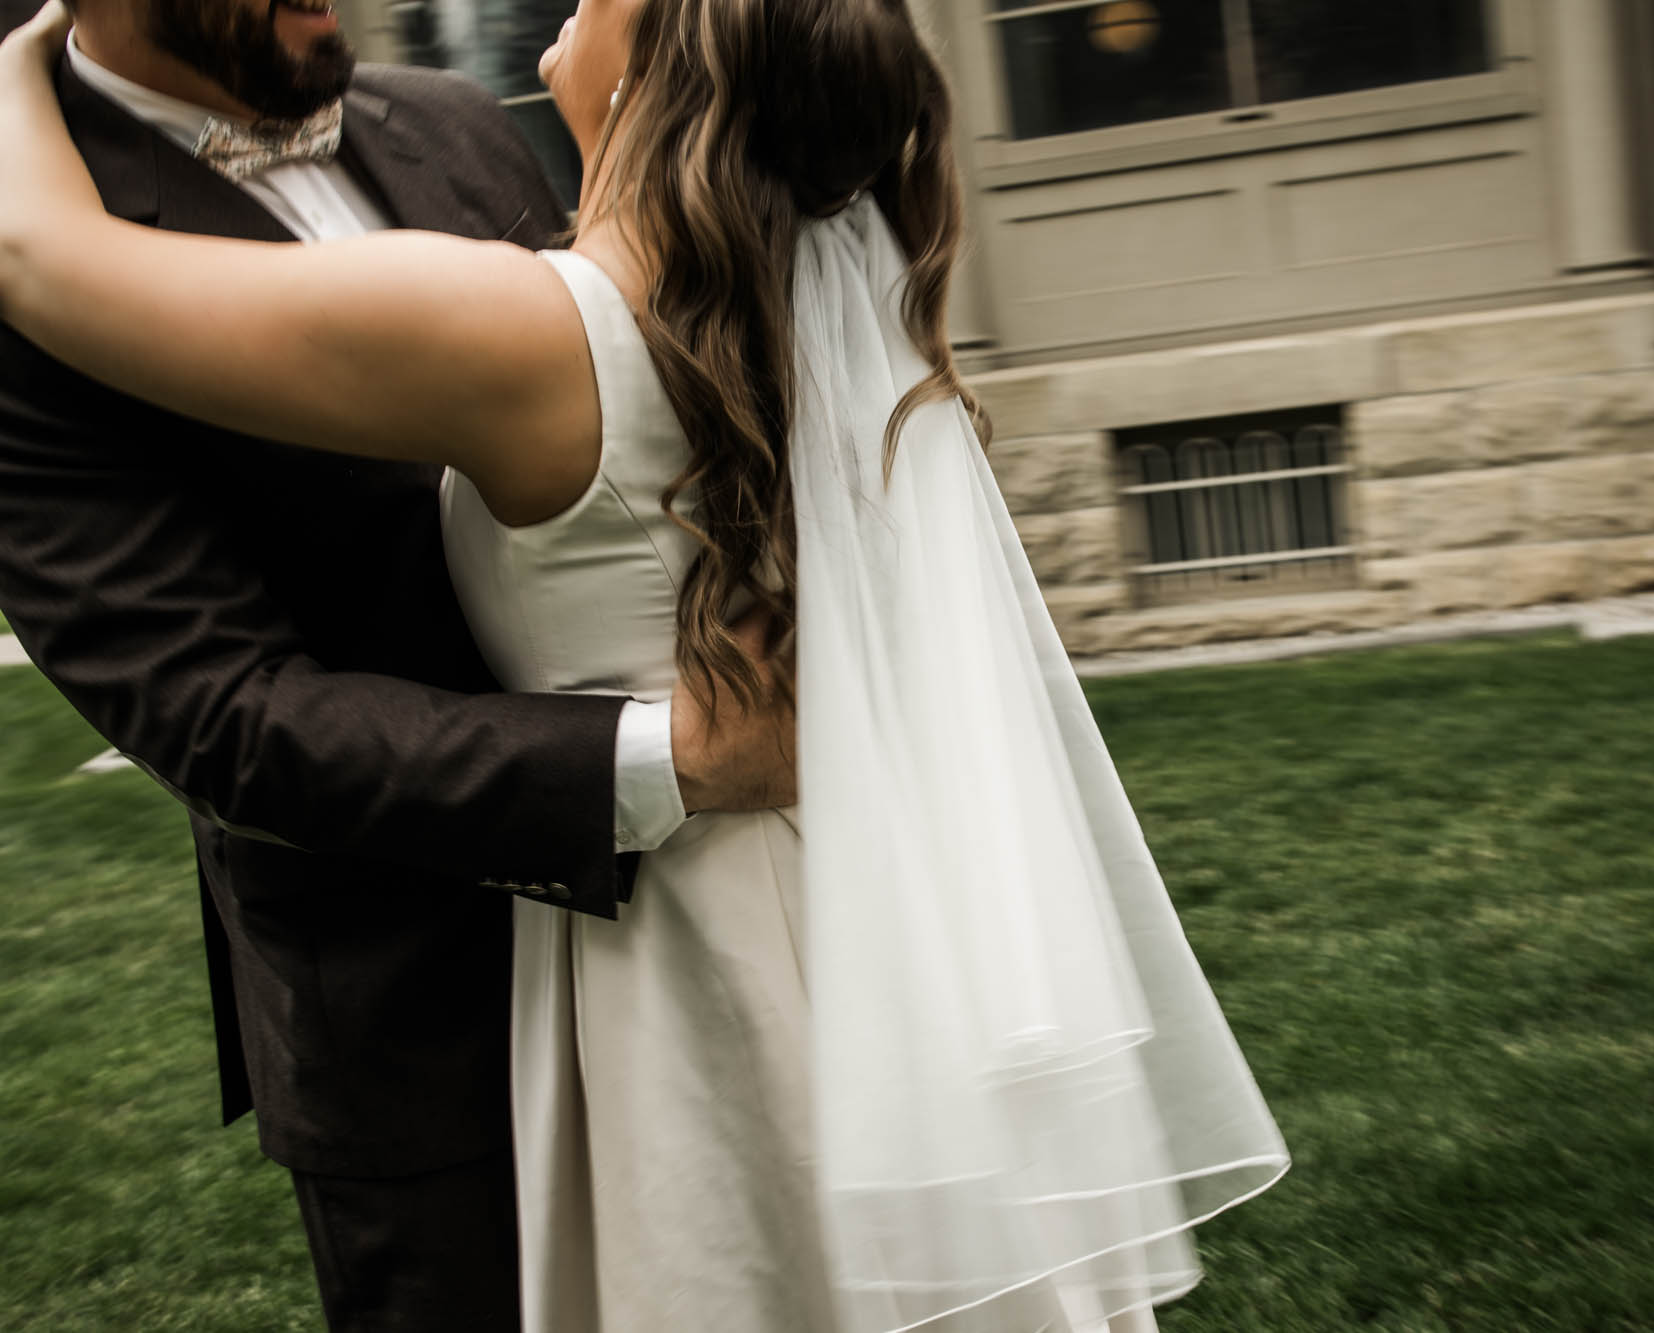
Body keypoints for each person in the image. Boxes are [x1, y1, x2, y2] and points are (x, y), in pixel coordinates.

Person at [0, 0, 1291, 1330]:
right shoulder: (809, 285)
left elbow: (34, 252)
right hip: (451, 998)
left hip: (688, 963)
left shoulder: (485, 236)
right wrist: (667, 758)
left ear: (664, 79)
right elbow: (215, 713)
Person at [0, 2, 795, 1330]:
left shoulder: (453, 121)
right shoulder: (36, 254)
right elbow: (220, 715)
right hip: (417, 1023)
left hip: (706, 938)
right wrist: (674, 761)